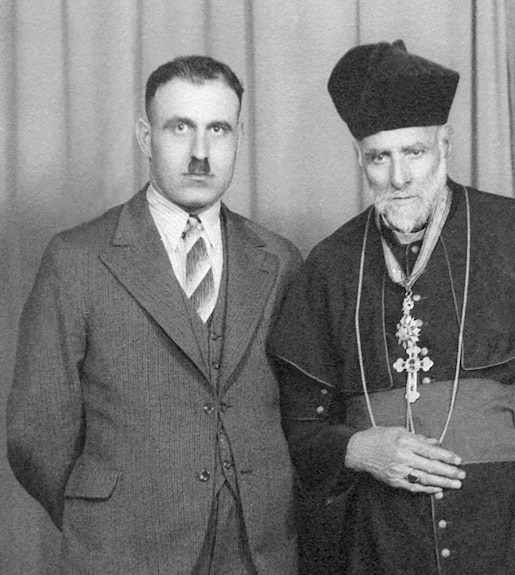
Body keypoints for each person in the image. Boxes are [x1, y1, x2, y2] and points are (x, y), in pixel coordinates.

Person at [267, 40, 515, 575]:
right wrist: (357, 449)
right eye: (380, 156)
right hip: (379, 543)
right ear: (360, 159)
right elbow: (300, 429)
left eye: (414, 153)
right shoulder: (330, 266)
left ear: (445, 145)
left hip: (509, 535)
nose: (398, 177)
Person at [7, 55, 302, 574]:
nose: (201, 154)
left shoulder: (279, 259)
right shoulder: (76, 258)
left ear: (239, 136)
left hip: (258, 554)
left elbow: (301, 416)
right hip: (123, 552)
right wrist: (104, 515)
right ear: (146, 136)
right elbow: (36, 435)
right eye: (179, 128)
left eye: (218, 129)